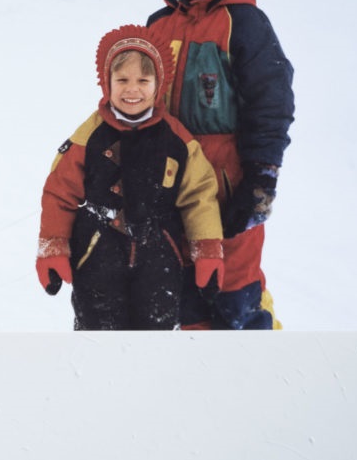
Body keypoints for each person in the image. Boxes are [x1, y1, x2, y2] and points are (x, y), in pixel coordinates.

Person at [144, 0, 294, 330]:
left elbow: (273, 103)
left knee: (234, 290)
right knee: (183, 288)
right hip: (171, 185)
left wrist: (262, 178)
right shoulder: (158, 24)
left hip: (227, 185)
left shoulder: (246, 23)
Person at [35, 25, 226, 331]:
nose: (132, 90)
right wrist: (53, 248)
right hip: (97, 251)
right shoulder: (90, 135)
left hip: (160, 253)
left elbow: (198, 196)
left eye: (143, 80)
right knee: (97, 331)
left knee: (155, 331)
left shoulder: (177, 140)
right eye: (122, 80)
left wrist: (206, 249)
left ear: (158, 83)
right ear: (106, 83)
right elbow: (59, 192)